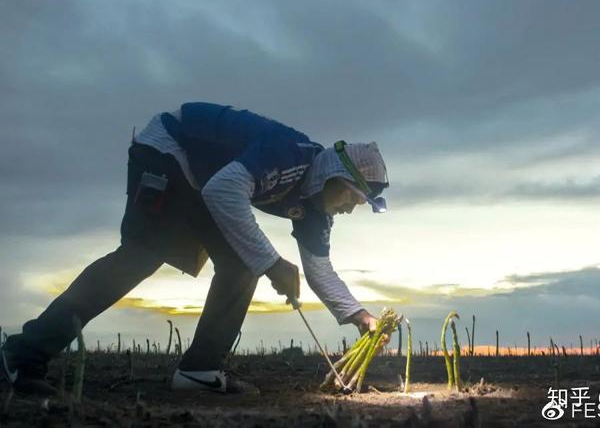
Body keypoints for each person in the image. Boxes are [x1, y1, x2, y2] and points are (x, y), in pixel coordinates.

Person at [1, 102, 389, 394]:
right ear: (333, 176)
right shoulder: (288, 154)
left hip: (204, 183)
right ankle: (23, 354)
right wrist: (272, 262)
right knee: (142, 254)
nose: (351, 207)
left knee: (240, 263)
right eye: (353, 196)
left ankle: (199, 371)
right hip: (168, 148)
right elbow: (225, 190)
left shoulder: (315, 209)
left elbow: (319, 268)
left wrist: (360, 316)